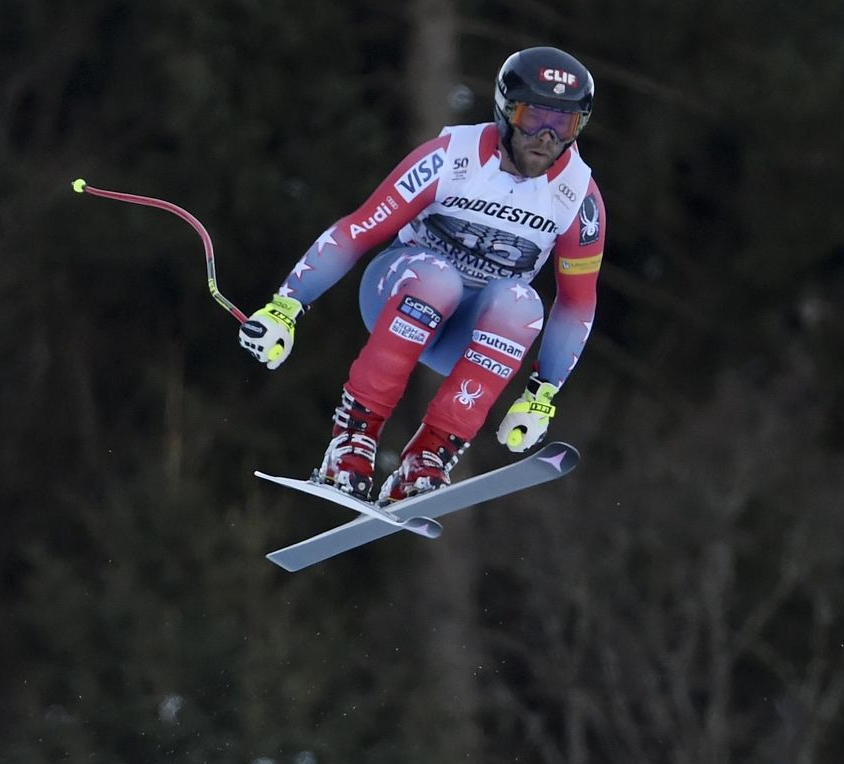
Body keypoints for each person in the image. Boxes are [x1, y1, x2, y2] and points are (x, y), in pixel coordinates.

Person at [239, 45, 606, 503]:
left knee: (522, 303)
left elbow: (576, 301)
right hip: (400, 293)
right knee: (439, 280)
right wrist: (285, 306)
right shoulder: (452, 157)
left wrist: (542, 394)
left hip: (471, 333)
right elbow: (359, 229)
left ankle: (428, 456)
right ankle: (351, 439)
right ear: (507, 111)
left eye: (565, 125)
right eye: (535, 119)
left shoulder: (578, 198)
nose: (547, 138)